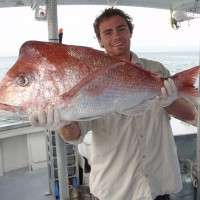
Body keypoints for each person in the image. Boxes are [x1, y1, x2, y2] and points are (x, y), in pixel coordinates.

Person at [29, 8, 197, 200]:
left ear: (130, 31)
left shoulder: (156, 70)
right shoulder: (86, 76)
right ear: (100, 40)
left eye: (121, 28)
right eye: (107, 32)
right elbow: (74, 135)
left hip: (158, 185)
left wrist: (169, 101)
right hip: (116, 190)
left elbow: (190, 114)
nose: (116, 36)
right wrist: (61, 122)